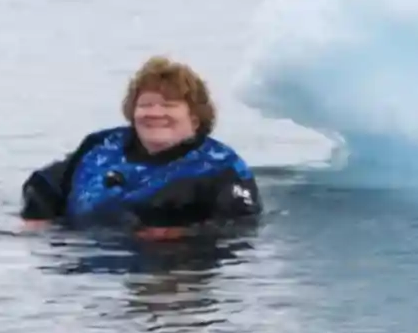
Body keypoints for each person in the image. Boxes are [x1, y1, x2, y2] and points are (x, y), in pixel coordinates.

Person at [19, 56, 262, 231]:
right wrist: (37, 218)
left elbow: (241, 226)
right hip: (85, 265)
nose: (154, 113)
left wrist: (181, 236)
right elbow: (45, 185)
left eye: (168, 105)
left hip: (173, 267)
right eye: (145, 105)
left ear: (195, 117)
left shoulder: (221, 167)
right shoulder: (102, 146)